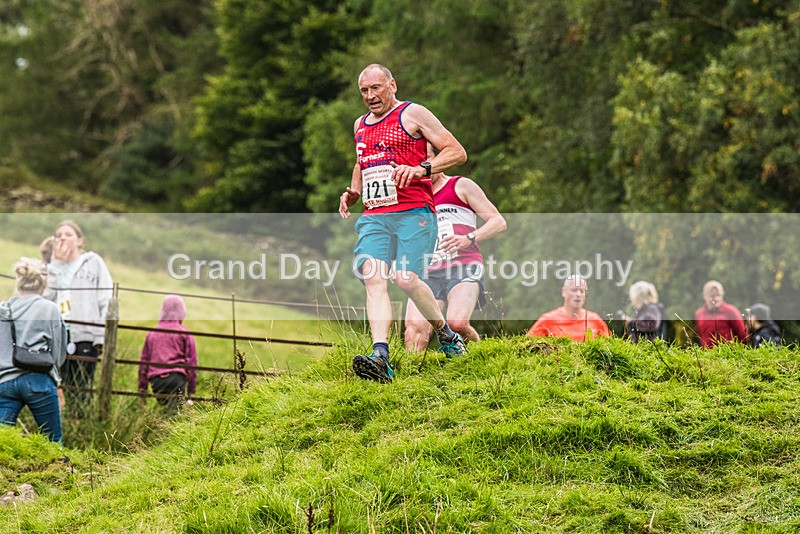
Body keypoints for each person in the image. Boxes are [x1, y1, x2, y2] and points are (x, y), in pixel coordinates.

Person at [339, 63, 468, 382]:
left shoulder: (413, 114)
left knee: (406, 279)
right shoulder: (360, 124)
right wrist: (354, 190)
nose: (370, 96)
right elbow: (362, 160)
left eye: (376, 88)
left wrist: (423, 169)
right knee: (373, 275)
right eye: (364, 91)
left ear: (392, 85)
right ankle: (380, 356)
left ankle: (447, 335)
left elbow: (457, 151)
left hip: (414, 211)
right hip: (375, 215)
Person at [404, 143, 506, 351]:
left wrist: (469, 237)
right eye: (416, 161)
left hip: (464, 265)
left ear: (440, 159)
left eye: (428, 158)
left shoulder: (460, 185)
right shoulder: (411, 199)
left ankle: (481, 357)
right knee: (415, 328)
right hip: (426, 270)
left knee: (457, 323)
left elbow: (498, 221)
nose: (422, 166)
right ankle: (411, 379)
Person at [44, 220, 113, 410]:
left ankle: (80, 421)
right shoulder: (51, 266)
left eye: (67, 234)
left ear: (80, 240)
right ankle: (63, 423)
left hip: (85, 333)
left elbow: (105, 298)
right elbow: (46, 298)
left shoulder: (93, 262)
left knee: (81, 384)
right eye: (58, 235)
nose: (62, 238)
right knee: (59, 382)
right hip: (58, 333)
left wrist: (100, 335)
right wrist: (55, 264)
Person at [0, 259, 68, 443]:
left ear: (18, 282)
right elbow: (59, 353)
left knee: (2, 441)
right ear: (44, 284)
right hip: (38, 380)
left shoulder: (3, 309)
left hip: (5, 382)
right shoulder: (49, 309)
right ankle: (55, 470)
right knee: (53, 439)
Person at [138, 295, 197, 413]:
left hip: (156, 381)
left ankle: (162, 425)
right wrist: (191, 391)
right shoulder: (184, 333)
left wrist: (142, 390)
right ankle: (170, 427)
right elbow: (192, 363)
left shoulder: (152, 333)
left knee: (167, 408)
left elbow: (143, 364)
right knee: (175, 412)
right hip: (177, 378)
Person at [526, 276, 611, 341]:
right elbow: (526, 347)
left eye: (582, 291)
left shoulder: (595, 319)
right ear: (564, 292)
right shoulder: (547, 320)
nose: (578, 294)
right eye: (574, 290)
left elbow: (610, 350)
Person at [693, 280, 747, 348]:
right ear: (704, 296)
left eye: (718, 295)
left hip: (728, 354)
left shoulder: (731, 311)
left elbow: (743, 335)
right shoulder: (699, 314)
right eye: (712, 296)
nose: (715, 299)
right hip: (707, 355)